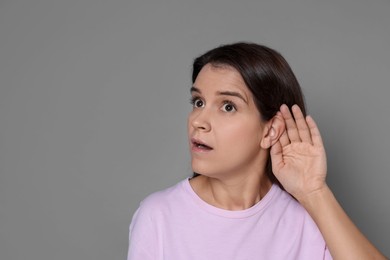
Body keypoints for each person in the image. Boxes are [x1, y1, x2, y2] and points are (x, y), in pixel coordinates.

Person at [127, 42, 386, 259]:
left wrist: (315, 193)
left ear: (270, 130)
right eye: (198, 102)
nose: (198, 121)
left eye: (228, 106)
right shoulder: (158, 216)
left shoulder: (308, 221)